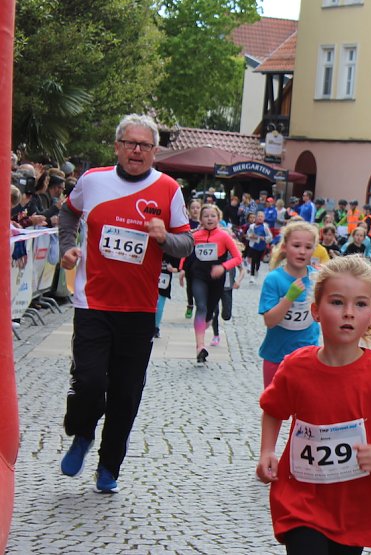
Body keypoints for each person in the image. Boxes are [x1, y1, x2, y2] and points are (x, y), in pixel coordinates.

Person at [255, 255, 371, 554]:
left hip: (354, 504)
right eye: (337, 302)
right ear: (316, 310)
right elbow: (273, 409)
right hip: (301, 496)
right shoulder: (296, 366)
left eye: (360, 304)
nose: (348, 313)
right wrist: (267, 451)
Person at [57, 113, 193, 493]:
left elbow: (187, 244)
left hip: (139, 309)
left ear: (154, 151)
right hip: (93, 303)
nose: (137, 150)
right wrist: (67, 246)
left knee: (125, 392)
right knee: (88, 380)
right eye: (130, 143)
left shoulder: (168, 189)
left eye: (145, 145)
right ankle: (82, 432)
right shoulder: (93, 181)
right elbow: (68, 212)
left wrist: (164, 237)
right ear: (117, 147)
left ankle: (109, 467)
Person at [258, 221, 321, 387]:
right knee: (274, 403)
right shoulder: (274, 279)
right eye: (296, 245)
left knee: (305, 403)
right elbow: (270, 321)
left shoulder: (317, 279)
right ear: (285, 247)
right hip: (277, 356)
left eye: (308, 247)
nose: (302, 251)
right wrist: (289, 298)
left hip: (308, 356)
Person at [186, 204, 243, 362]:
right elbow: (185, 253)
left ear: (218, 218)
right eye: (206, 216)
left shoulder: (224, 237)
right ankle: (200, 347)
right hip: (199, 276)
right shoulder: (195, 236)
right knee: (201, 307)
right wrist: (182, 269)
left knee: (209, 311)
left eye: (213, 216)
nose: (209, 219)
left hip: (217, 279)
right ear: (200, 219)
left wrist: (223, 267)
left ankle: (208, 321)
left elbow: (238, 258)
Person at [154, 253, 180, 339]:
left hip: (163, 281)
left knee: (159, 305)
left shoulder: (170, 252)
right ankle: (152, 326)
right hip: (151, 278)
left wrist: (173, 269)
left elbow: (179, 266)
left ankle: (156, 327)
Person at [246, 210, 273, 283]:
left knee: (258, 261)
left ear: (264, 218)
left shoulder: (265, 227)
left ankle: (256, 270)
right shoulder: (252, 226)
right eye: (259, 216)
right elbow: (248, 234)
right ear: (256, 218)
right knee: (253, 260)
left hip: (262, 247)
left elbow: (270, 237)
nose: (260, 218)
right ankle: (252, 276)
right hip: (253, 245)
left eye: (261, 216)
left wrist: (263, 238)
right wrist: (251, 236)